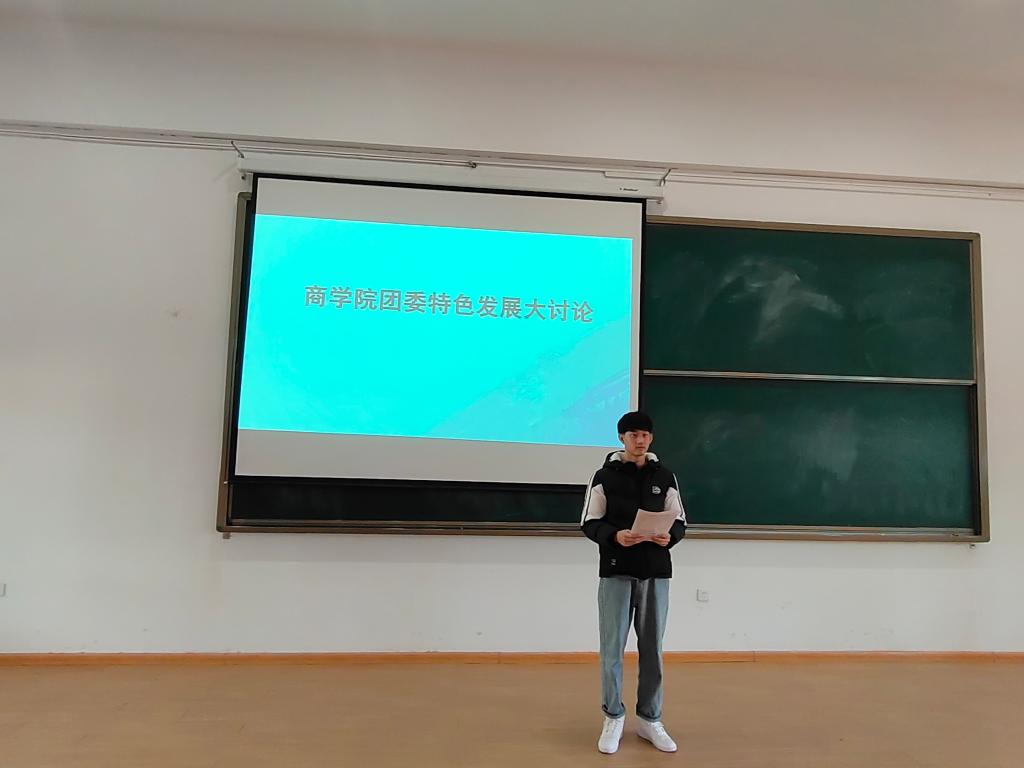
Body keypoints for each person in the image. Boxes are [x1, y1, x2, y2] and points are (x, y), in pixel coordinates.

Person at [580, 410, 687, 754]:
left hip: (656, 571)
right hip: (616, 570)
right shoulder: (603, 477)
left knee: (652, 649)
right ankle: (613, 716)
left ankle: (650, 719)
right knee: (612, 649)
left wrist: (669, 537)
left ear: (651, 438)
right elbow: (589, 521)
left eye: (644, 435)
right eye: (633, 435)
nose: (639, 441)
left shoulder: (665, 476)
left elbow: (680, 520)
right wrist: (615, 536)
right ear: (621, 438)